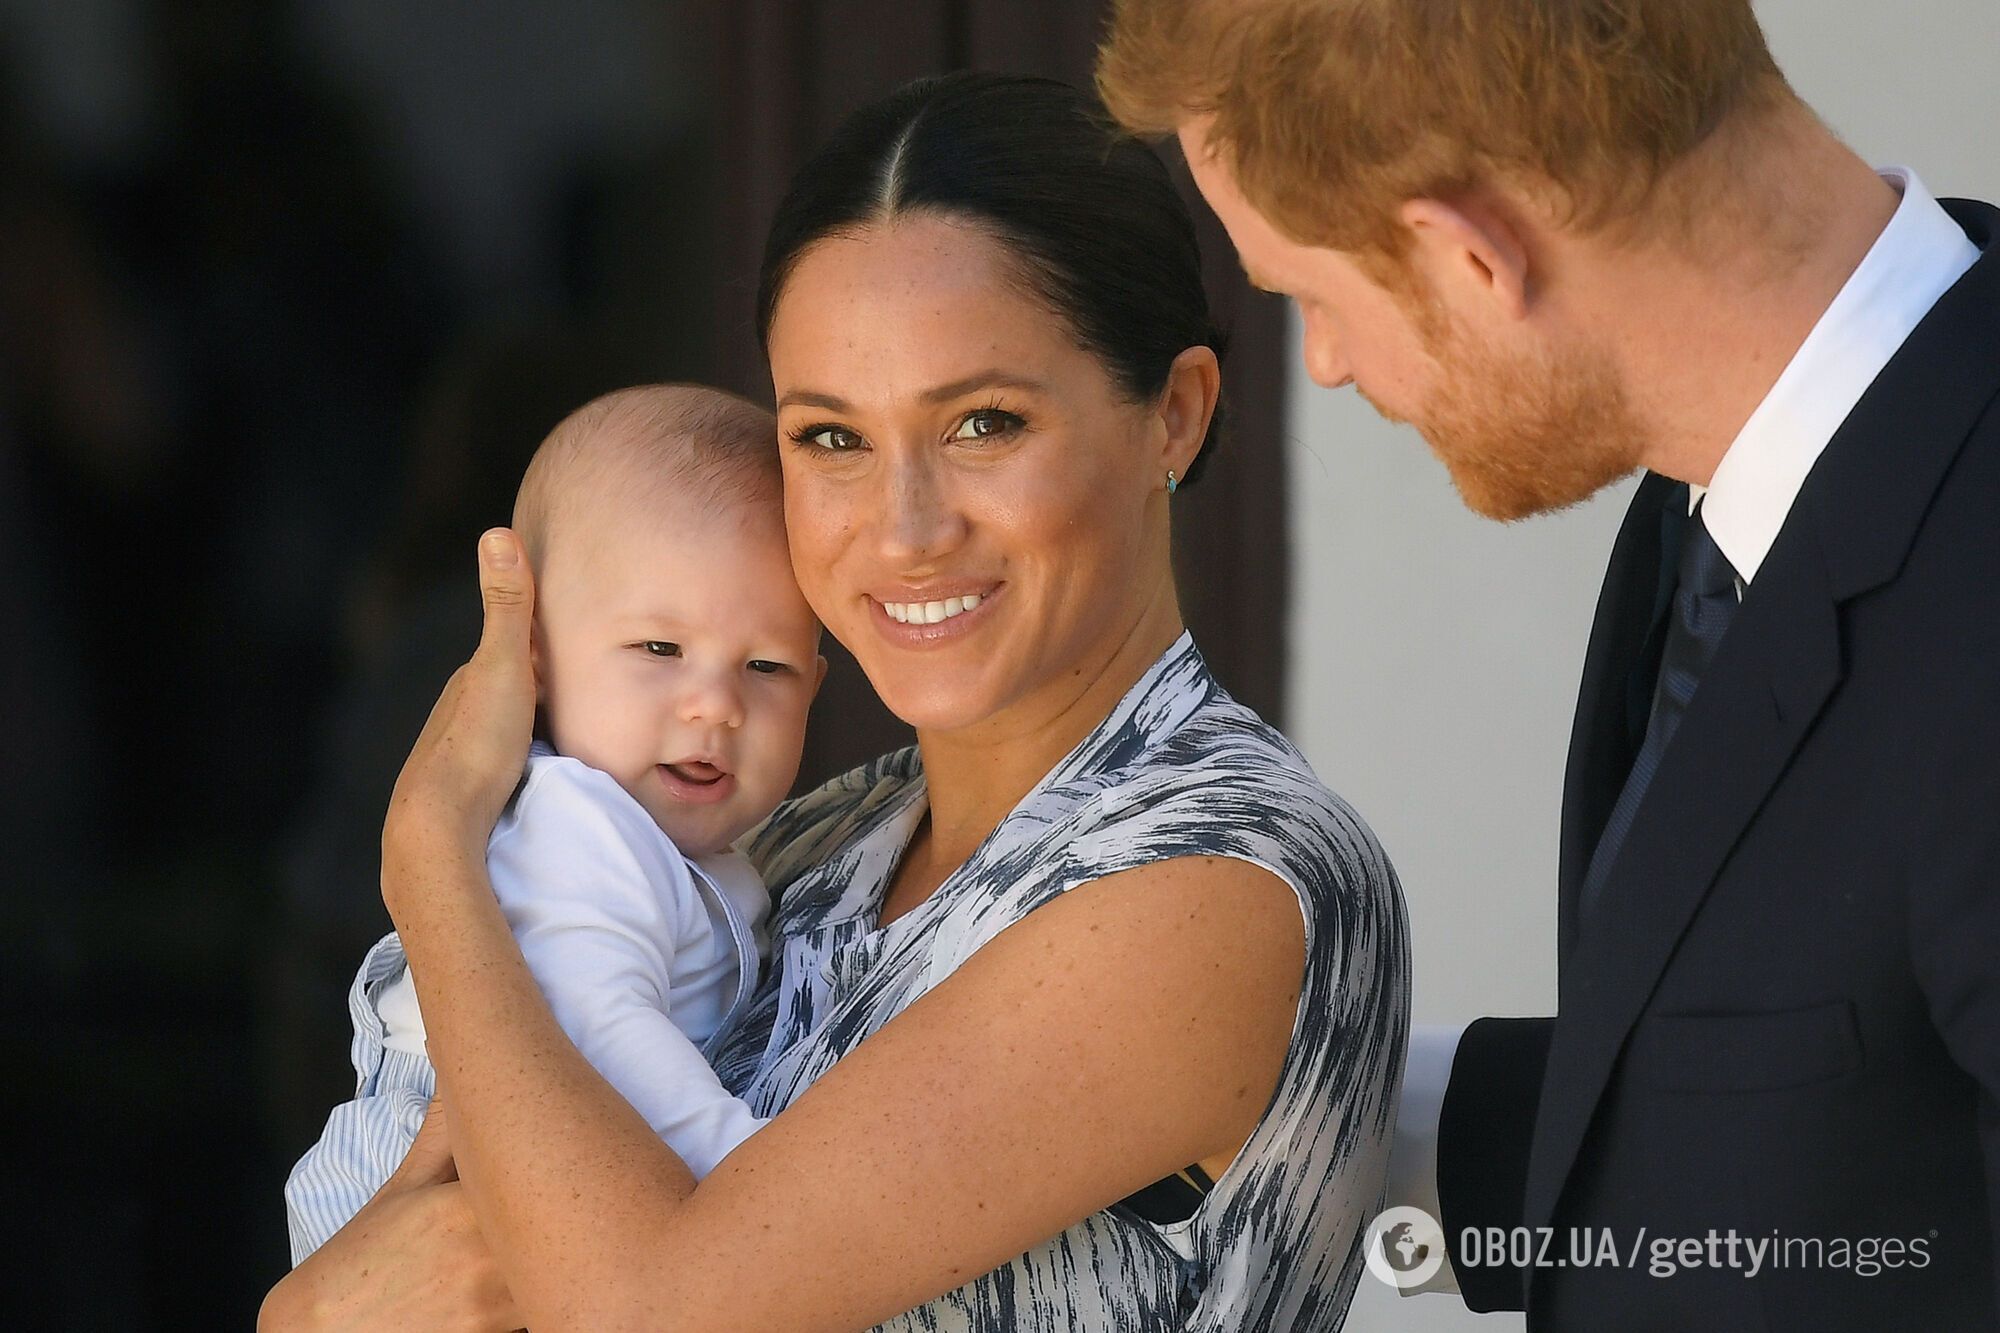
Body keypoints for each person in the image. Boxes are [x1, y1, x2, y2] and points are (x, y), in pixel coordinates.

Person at [259, 72, 1409, 1332]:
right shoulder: (809, 848)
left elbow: (651, 1308)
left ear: (1172, 416)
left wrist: (431, 855)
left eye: (982, 422)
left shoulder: (1221, 877)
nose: (903, 531)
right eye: (830, 439)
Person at [1098, 1, 2000, 1328]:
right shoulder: (1734, 488)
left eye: (1306, 298)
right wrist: (1262, 1094)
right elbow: (1827, 1131)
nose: (1332, 366)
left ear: (1469, 256)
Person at [282, 383, 824, 1261]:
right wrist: (746, 1175)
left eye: (768, 667)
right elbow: (603, 1029)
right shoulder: (579, 826)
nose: (716, 705)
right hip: (425, 1190)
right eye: (661, 649)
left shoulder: (699, 849)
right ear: (532, 656)